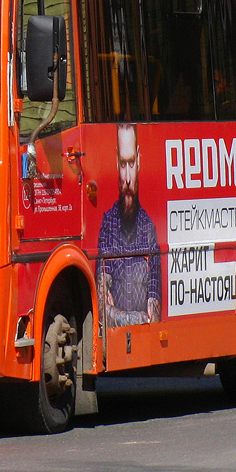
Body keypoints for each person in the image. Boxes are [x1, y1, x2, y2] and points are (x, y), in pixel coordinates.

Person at [97, 123, 161, 325]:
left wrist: (118, 316)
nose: (126, 179)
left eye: (131, 163)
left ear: (139, 160)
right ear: (116, 162)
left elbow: (155, 315)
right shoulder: (108, 224)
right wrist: (139, 318)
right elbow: (102, 311)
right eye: (123, 164)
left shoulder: (149, 229)